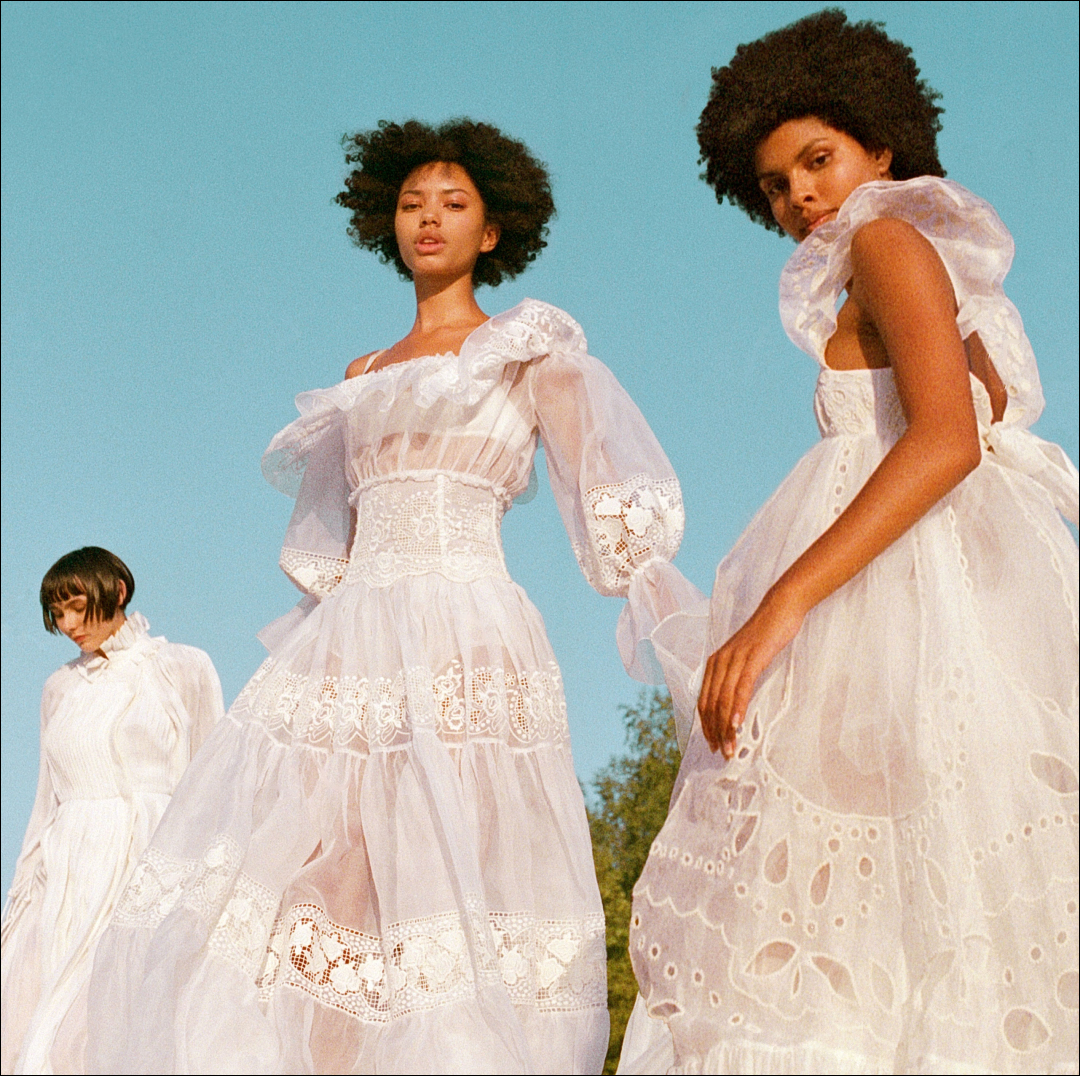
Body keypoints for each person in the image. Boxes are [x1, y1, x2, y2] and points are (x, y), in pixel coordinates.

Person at [89, 119, 699, 1075]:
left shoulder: (527, 348)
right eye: (413, 204)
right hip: (354, 643)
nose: (430, 220)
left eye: (454, 204)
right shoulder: (359, 380)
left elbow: (611, 498)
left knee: (464, 872)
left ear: (493, 230)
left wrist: (674, 625)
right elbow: (334, 547)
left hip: (470, 635)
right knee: (316, 883)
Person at [623, 10, 1079, 1074]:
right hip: (932, 604)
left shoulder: (886, 237)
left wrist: (778, 609)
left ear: (881, 142)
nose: (800, 198)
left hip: (903, 603)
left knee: (814, 913)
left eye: (817, 159)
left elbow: (947, 440)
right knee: (905, 908)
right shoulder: (936, 259)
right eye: (776, 184)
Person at [1, 547, 223, 1075]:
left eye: (76, 604)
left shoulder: (182, 666)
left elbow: (213, 779)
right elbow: (45, 797)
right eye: (56, 612)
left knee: (129, 1012)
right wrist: (23, 890)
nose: (67, 623)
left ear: (117, 591)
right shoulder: (59, 687)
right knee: (46, 1021)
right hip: (67, 870)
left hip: (148, 859)